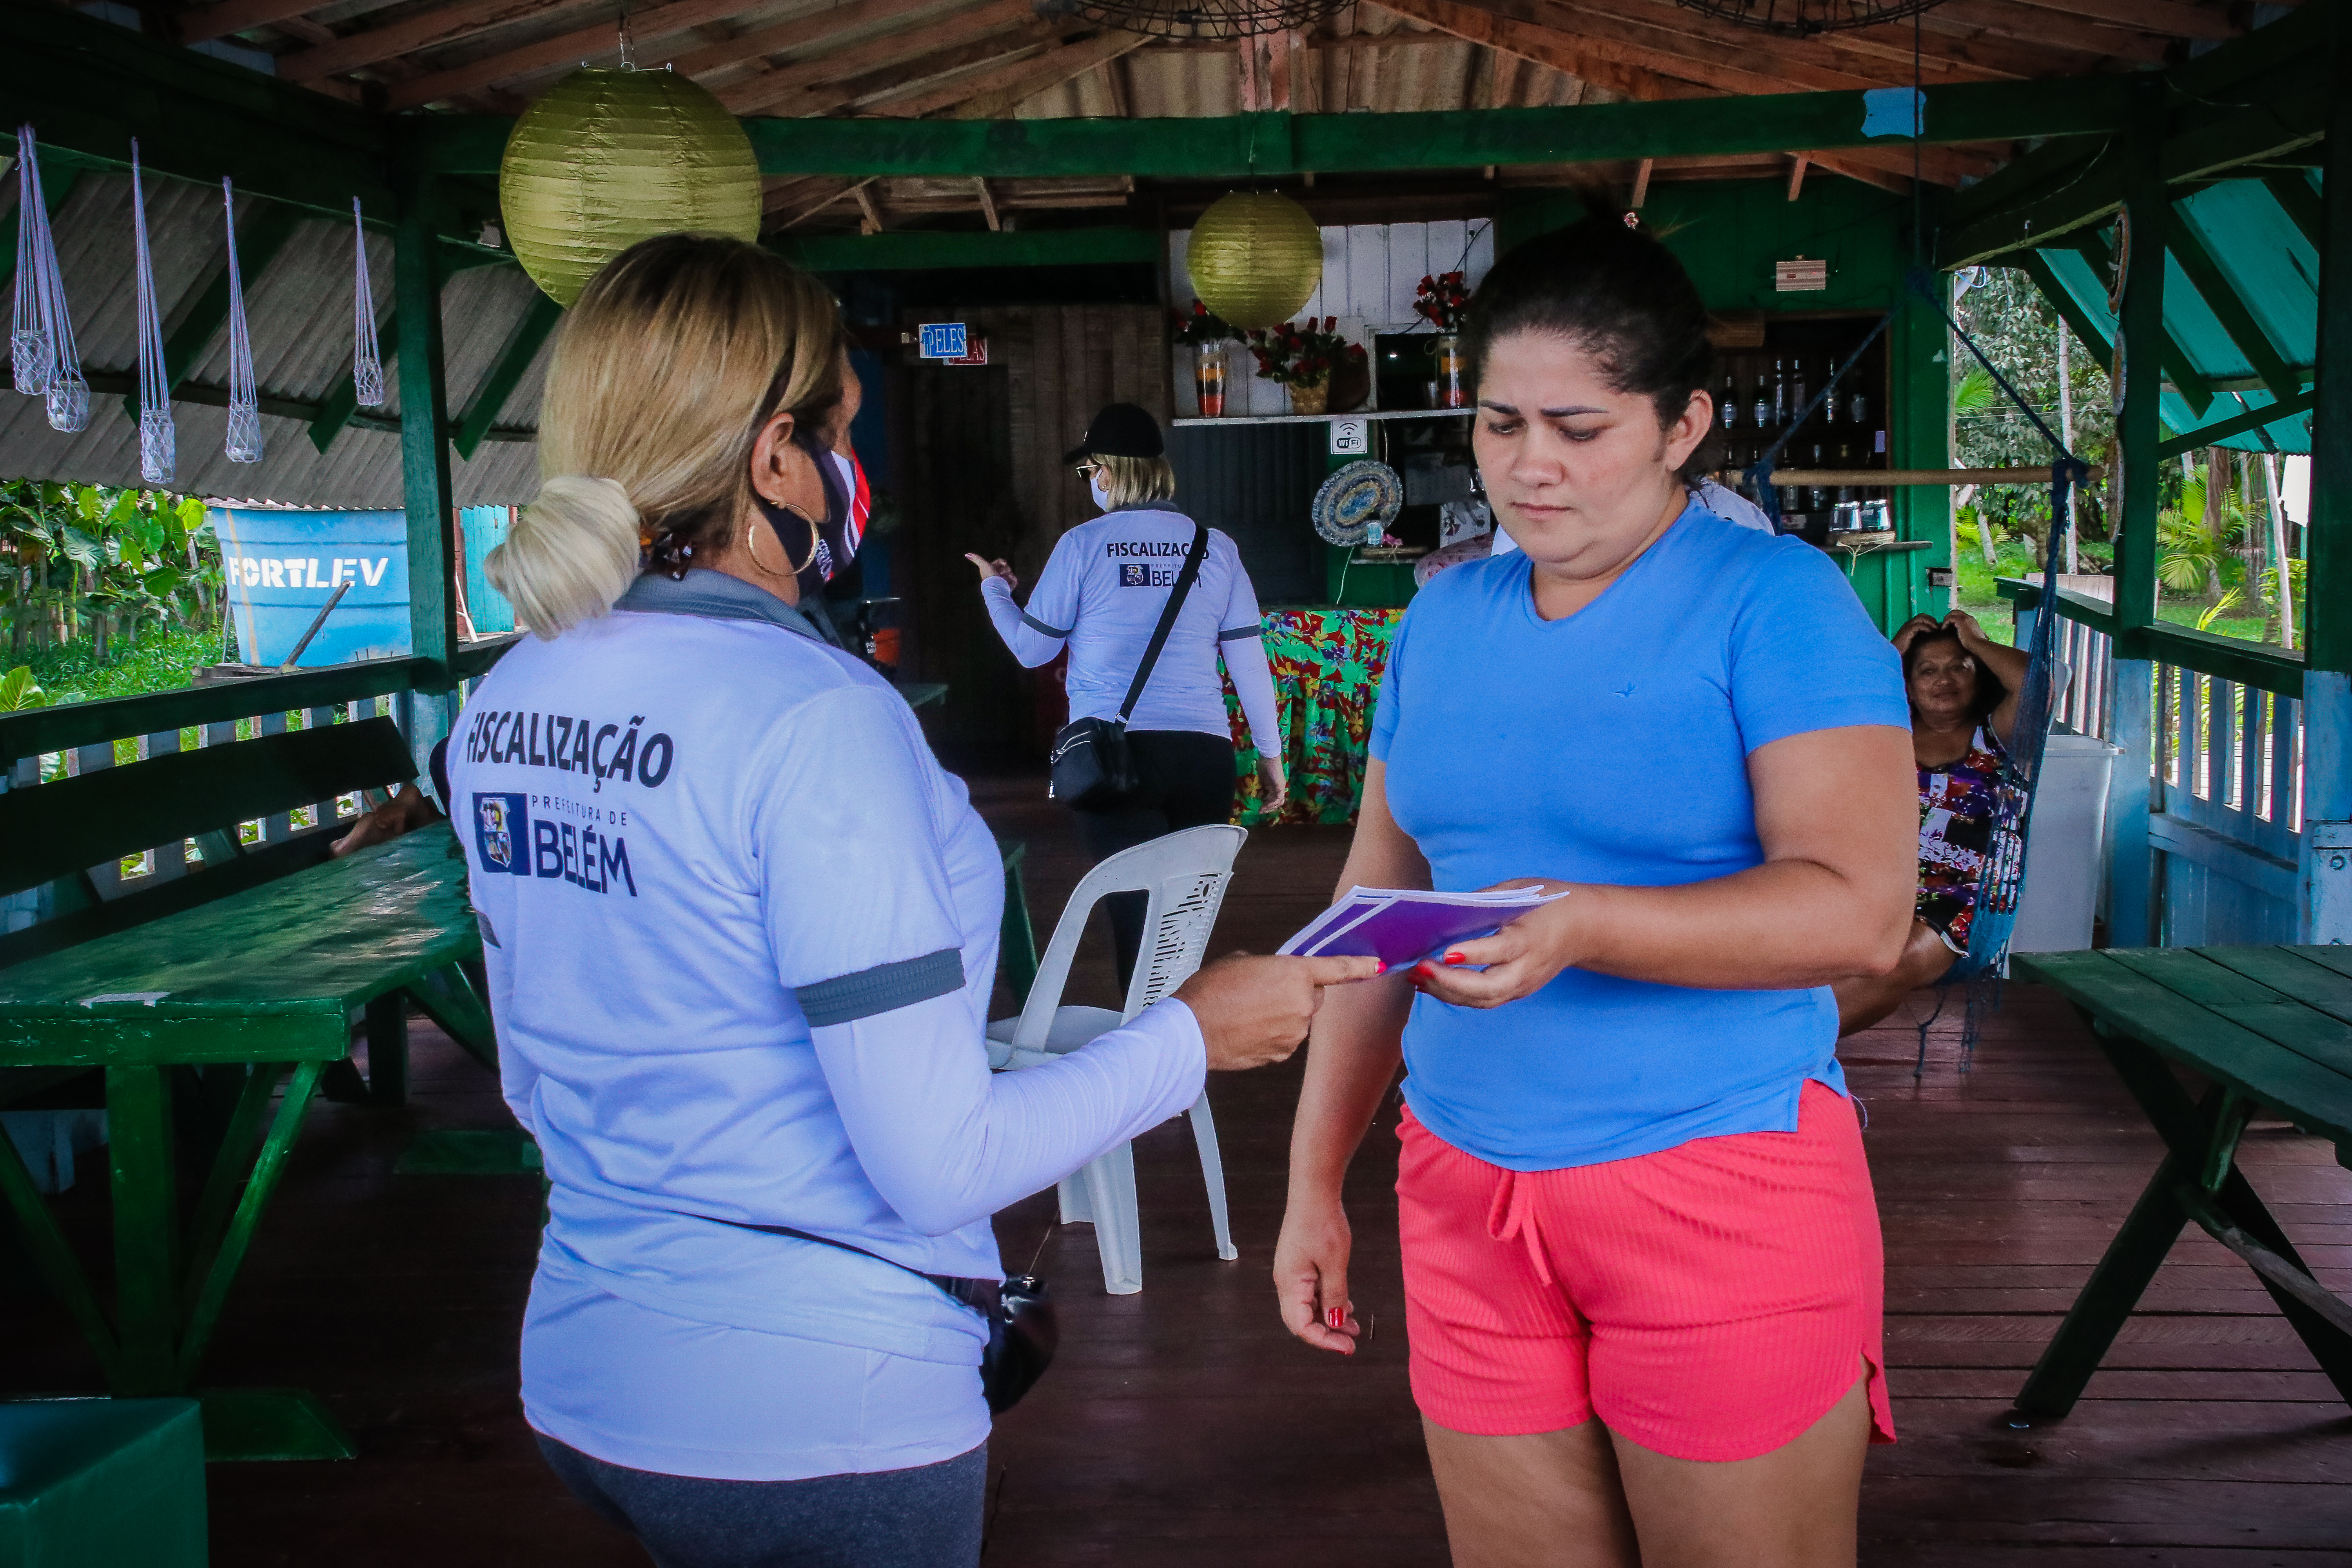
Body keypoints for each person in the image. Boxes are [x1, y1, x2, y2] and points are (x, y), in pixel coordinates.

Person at [450, 234, 1377, 1568]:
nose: (848, 461)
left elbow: (536, 1084)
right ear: (775, 459)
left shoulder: (512, 697)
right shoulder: (816, 721)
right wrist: (1196, 1037)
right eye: (839, 423)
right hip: (816, 1409)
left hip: (591, 1373)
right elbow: (942, 1163)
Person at [1271, 216, 1918, 1568]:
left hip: (1719, 1176)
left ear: (1683, 425)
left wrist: (1585, 923)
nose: (1530, 466)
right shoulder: (1443, 618)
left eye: (1579, 426)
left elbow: (1861, 911)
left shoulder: (1776, 602)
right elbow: (1373, 914)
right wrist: (1313, 1180)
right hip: (1460, 1180)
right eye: (1501, 423)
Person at [966, 402, 1287, 992]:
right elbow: (1248, 661)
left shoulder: (1082, 545)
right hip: (1203, 757)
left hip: (1115, 760)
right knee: (1182, 930)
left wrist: (995, 592)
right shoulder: (1216, 548)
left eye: (1087, 473)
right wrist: (1271, 755)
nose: (1088, 484)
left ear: (1106, 473)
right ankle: (1183, 1061)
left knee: (1136, 923)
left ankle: (1149, 1068)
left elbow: (1032, 650)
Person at [1831, 607, 2042, 1036]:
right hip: (1879, 884)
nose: (1942, 680)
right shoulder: (1888, 732)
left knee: (1893, 958)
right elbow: (1851, 696)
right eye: (1927, 670)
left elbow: (2037, 684)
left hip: (1963, 898)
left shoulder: (2000, 737)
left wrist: (1978, 642)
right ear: (1908, 685)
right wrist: (1894, 652)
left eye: (1958, 667)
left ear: (1978, 675)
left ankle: (1781, 1054)